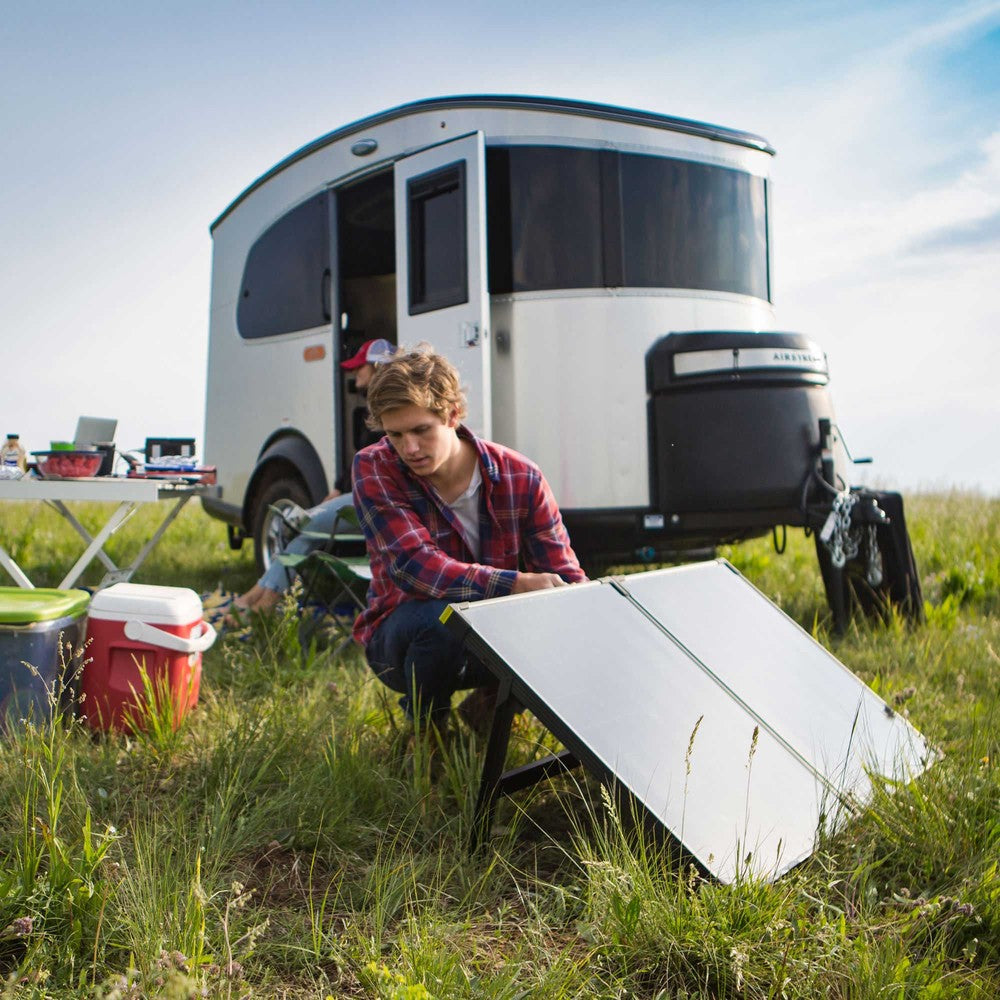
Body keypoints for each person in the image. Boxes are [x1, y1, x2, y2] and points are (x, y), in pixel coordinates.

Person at [351, 347, 586, 733]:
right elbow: (415, 566)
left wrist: (586, 611)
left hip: (495, 633)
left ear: (452, 415)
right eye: (396, 435)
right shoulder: (374, 467)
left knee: (564, 612)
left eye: (421, 430)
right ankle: (428, 735)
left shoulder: (521, 476)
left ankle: (489, 711)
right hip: (402, 637)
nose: (409, 448)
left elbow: (564, 573)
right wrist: (516, 584)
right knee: (446, 619)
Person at [227, 339, 394, 623]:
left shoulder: (390, 411)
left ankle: (261, 599)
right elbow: (362, 460)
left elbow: (375, 465)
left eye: (360, 368)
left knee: (300, 525)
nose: (355, 374)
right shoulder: (376, 409)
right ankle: (262, 597)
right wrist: (338, 489)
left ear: (377, 367)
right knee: (303, 530)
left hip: (375, 506)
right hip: (361, 498)